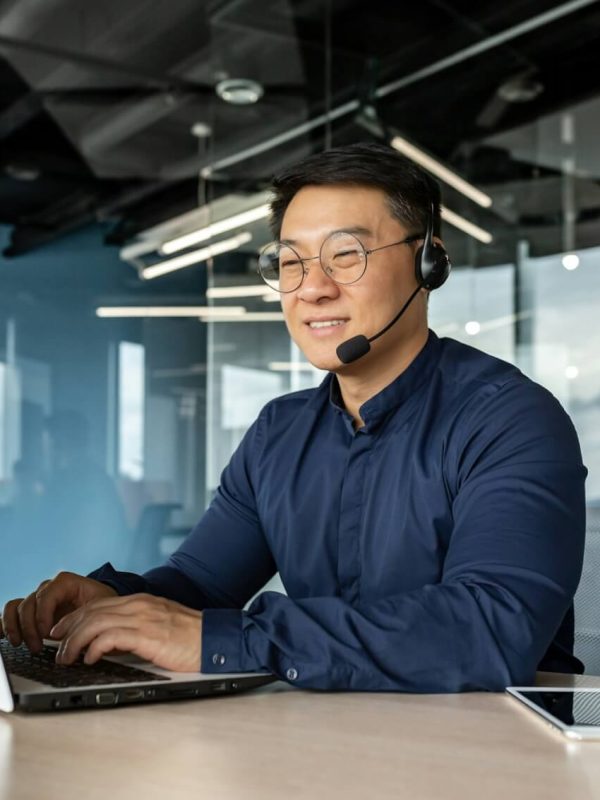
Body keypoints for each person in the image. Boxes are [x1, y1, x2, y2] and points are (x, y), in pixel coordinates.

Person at [0, 142, 587, 692]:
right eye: (290, 262)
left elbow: (490, 628)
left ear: (428, 264)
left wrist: (231, 640)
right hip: (317, 739)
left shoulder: (509, 419)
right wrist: (113, 600)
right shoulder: (279, 434)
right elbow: (202, 586)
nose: (312, 289)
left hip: (494, 751)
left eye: (346, 255)